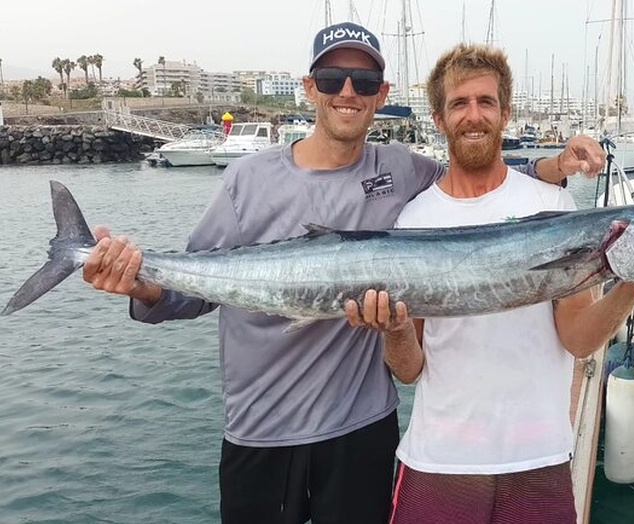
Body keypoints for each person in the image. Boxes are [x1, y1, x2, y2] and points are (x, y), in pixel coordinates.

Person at [80, 22, 605, 524]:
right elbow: (195, 290)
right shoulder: (247, 178)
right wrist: (140, 283)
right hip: (262, 429)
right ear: (310, 88)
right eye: (332, 79)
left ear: (382, 94)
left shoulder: (400, 170)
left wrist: (553, 167)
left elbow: (477, 173)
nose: (348, 92)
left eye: (365, 81)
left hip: (361, 428)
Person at [345, 43, 634, 524]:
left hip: (539, 459)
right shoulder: (414, 219)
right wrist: (396, 330)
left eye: (486, 102)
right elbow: (409, 370)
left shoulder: (553, 205)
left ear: (505, 112)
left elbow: (578, 339)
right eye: (459, 103)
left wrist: (632, 284)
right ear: (440, 119)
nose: (474, 115)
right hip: (439, 460)